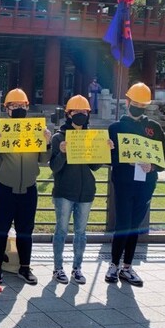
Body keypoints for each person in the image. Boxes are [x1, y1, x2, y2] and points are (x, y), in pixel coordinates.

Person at [0, 88, 51, 284]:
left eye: (23, 105)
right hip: (3, 188)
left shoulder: (36, 130)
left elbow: (44, 159)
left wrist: (47, 143)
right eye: (14, 105)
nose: (19, 108)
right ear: (7, 108)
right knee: (0, 229)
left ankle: (25, 268)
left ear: (28, 107)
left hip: (28, 188)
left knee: (25, 231)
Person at [106, 82, 165, 287]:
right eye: (136, 103)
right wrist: (107, 148)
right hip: (124, 183)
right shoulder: (115, 128)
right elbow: (108, 158)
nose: (139, 107)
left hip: (145, 184)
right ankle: (113, 264)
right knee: (123, 225)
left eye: (143, 104)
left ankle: (127, 266)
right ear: (127, 102)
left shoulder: (154, 128)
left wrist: (153, 165)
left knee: (134, 227)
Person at [50, 95, 113, 285]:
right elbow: (54, 167)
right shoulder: (58, 137)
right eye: (76, 112)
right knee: (61, 231)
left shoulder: (92, 137)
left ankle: (77, 268)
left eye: (84, 112)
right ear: (68, 114)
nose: (80, 115)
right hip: (64, 193)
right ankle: (58, 268)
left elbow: (94, 166)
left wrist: (105, 151)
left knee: (81, 232)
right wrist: (61, 153)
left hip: (86, 192)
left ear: (88, 115)